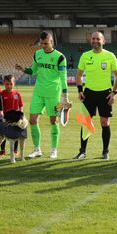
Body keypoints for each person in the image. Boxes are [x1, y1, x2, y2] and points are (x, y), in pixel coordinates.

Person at [15, 31, 69, 159]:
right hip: (38, 92)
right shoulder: (37, 54)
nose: (43, 46)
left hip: (53, 93)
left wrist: (65, 95)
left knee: (53, 120)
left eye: (46, 43)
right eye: (41, 43)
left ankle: (54, 150)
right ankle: (37, 149)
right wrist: (23, 69)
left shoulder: (60, 57)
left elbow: (63, 77)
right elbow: (33, 70)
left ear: (51, 42)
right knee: (33, 120)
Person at [74, 31, 117, 160]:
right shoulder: (85, 56)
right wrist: (80, 90)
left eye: (98, 39)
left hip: (105, 93)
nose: (95, 41)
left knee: (104, 122)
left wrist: (114, 93)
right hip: (89, 93)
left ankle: (105, 151)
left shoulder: (110, 56)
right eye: (93, 39)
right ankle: (82, 151)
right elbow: (78, 75)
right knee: (85, 122)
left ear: (103, 41)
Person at [0, 75, 23, 156]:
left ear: (14, 83)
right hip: (6, 118)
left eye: (11, 84)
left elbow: (20, 105)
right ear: (4, 83)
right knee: (3, 134)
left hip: (15, 119)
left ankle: (15, 150)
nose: (9, 86)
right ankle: (2, 150)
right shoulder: (1, 94)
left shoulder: (17, 94)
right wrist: (0, 115)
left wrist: (21, 116)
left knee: (15, 133)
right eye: (7, 84)